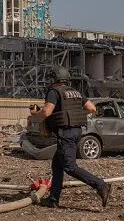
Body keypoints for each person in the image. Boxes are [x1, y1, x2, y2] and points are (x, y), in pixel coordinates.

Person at [29, 66, 112, 208]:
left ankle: (100, 185)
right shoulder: (76, 92)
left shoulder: (54, 92)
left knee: (69, 167)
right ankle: (53, 199)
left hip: (65, 134)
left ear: (54, 78)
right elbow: (91, 108)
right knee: (57, 165)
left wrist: (35, 115)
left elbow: (47, 112)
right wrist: (73, 115)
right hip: (76, 132)